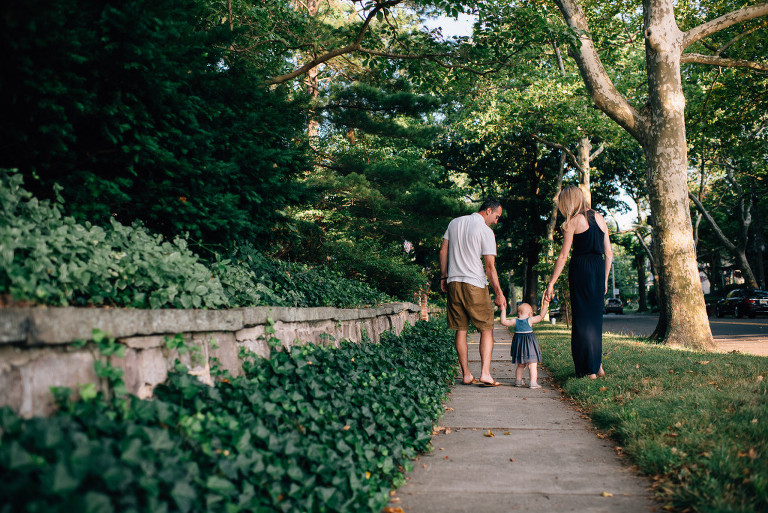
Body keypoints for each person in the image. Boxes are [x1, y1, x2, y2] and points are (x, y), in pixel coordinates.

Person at [545, 186, 613, 379]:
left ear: (568, 202)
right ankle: (597, 366)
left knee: (582, 321)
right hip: (598, 269)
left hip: (581, 269)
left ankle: (589, 370)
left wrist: (551, 283)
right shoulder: (600, 217)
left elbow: (563, 256)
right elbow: (608, 253)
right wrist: (605, 278)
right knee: (594, 321)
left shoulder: (573, 222)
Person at [439, 199, 507, 387]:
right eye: (496, 217)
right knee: (486, 329)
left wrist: (443, 277)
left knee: (461, 329)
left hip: (454, 283)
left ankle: (467, 375)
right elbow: (490, 267)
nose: (496, 221)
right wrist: (499, 293)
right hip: (475, 284)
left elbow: (443, 251)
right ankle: (485, 373)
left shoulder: (454, 223)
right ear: (488, 211)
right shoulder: (486, 231)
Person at [500, 299, 549, 388]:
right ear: (530, 313)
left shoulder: (515, 321)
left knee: (520, 364)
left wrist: (503, 309)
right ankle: (533, 382)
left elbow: (503, 322)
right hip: (530, 345)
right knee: (532, 364)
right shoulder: (530, 320)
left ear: (518, 313)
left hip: (519, 346)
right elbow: (541, 316)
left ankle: (518, 381)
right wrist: (545, 305)